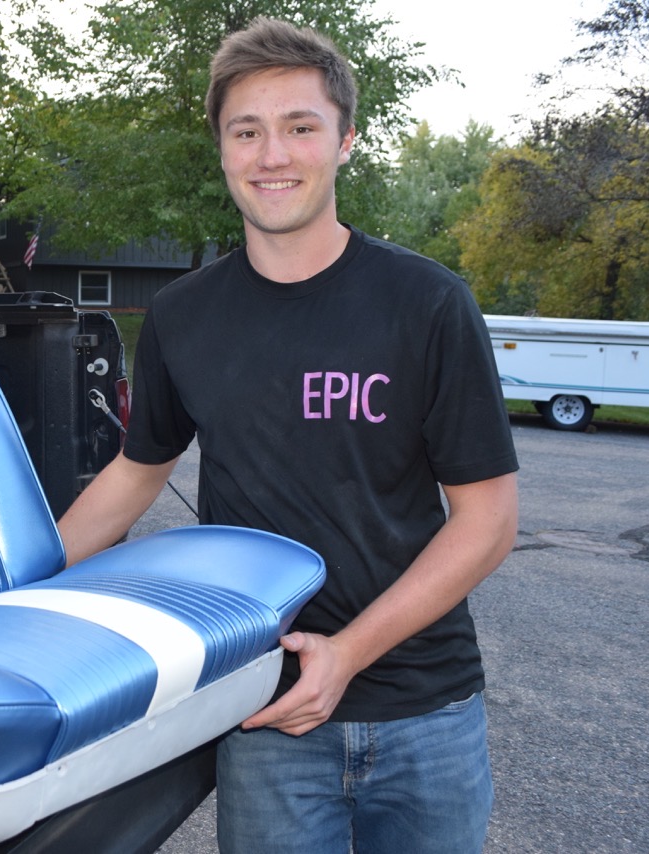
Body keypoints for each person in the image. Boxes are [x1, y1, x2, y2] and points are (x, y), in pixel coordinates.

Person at [57, 17, 519, 854]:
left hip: (427, 710)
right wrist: (1, 593)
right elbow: (135, 473)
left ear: (345, 141)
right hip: (264, 708)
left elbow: (487, 522)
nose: (273, 154)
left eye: (301, 127)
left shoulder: (427, 303)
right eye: (247, 131)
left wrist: (347, 652)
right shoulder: (181, 316)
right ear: (222, 150)